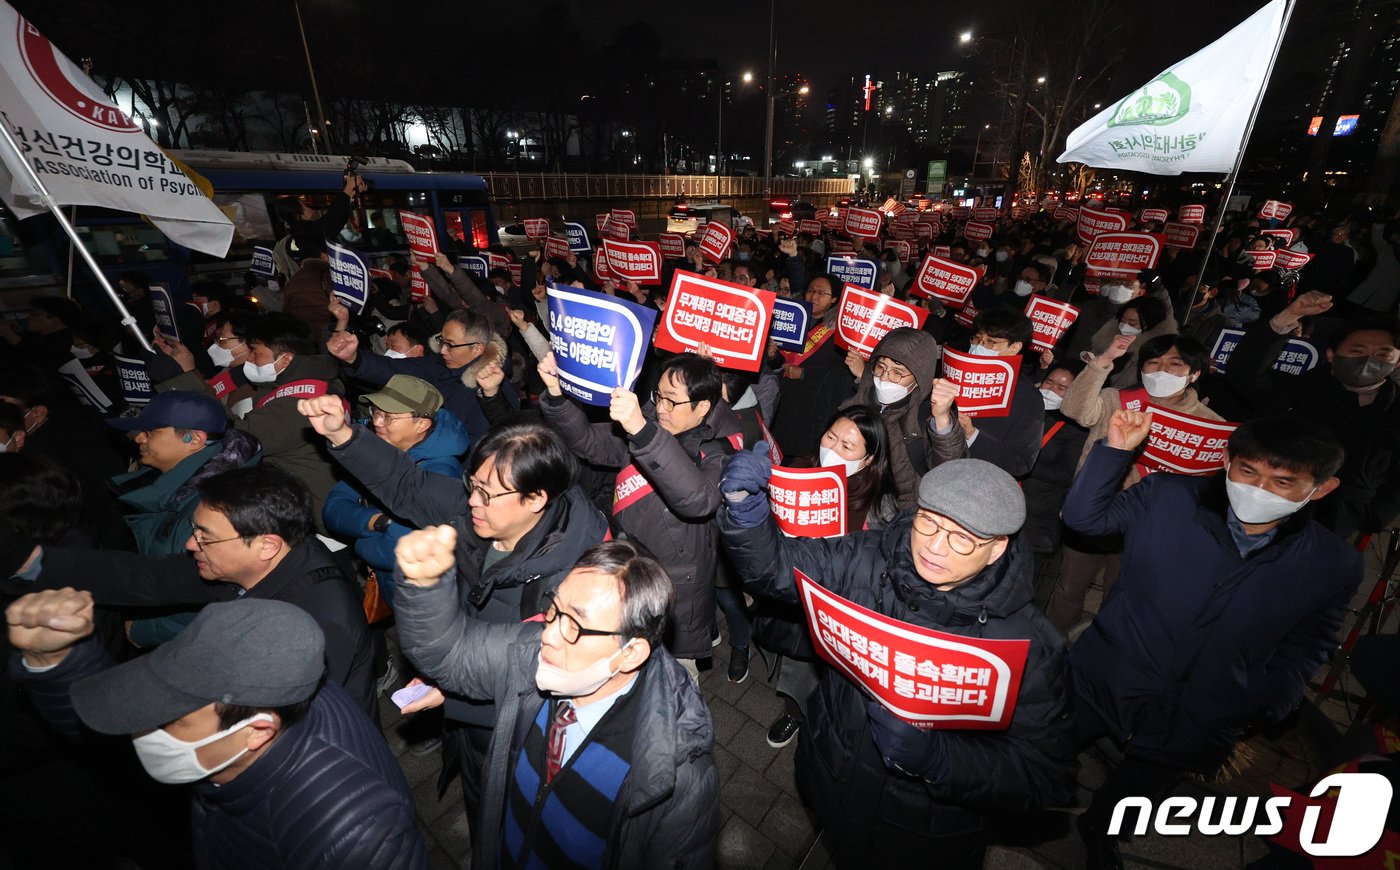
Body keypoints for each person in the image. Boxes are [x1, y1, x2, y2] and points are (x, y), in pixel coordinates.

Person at [717, 455, 1076, 867]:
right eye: (930, 522)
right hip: (832, 777)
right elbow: (777, 571)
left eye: (962, 538)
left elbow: (1044, 777)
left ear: (997, 549)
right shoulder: (869, 555)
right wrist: (745, 511)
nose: (936, 547)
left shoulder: (1031, 647)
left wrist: (940, 759)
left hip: (922, 835)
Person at [1062, 411, 1362, 869]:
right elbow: (1084, 519)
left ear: (1320, 489)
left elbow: (1311, 639)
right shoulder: (1167, 497)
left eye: (1282, 483)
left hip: (1207, 704)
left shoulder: (1332, 562)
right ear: (1227, 463)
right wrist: (1116, 451)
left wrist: (1269, 699)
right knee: (1051, 745)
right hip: (1109, 669)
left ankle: (1101, 829)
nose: (1258, 490)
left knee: (1143, 783)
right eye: (1248, 472)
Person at [300, 397, 609, 822]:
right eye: (472, 485)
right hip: (468, 708)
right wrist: (343, 434)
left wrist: (452, 684)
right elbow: (408, 485)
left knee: (505, 814)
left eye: (488, 493)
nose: (473, 502)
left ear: (536, 498)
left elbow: (530, 670)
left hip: (514, 729)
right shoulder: (480, 510)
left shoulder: (578, 583)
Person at [7, 593, 428, 869]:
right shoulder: (277, 688)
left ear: (257, 731)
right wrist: (56, 660)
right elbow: (110, 729)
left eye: (170, 720)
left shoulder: (355, 836)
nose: (142, 730)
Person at [393, 531, 719, 870]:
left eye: (574, 625)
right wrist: (424, 586)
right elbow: (450, 654)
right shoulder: (535, 657)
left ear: (630, 653)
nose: (547, 635)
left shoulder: (680, 776)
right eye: (554, 610)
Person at [5, 465, 377, 715]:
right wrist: (33, 563)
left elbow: (282, 718)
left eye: (205, 536)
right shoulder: (253, 565)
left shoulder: (319, 622)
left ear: (265, 545)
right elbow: (144, 578)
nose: (190, 544)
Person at [538, 352, 742, 677]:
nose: (660, 408)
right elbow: (590, 442)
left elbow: (697, 500)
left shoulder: (721, 447)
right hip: (627, 562)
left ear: (702, 407)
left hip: (676, 585)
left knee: (672, 684)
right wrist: (557, 396)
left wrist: (642, 430)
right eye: (657, 395)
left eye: (672, 401)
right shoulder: (653, 420)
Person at [1046, 333, 1221, 634]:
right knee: (1068, 590)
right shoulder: (1119, 399)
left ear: (1194, 374)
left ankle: (1098, 655)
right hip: (1093, 515)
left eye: (1174, 364)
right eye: (1153, 363)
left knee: (1120, 599)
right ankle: (1047, 650)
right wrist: (1103, 362)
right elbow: (1074, 410)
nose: (1161, 371)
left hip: (1148, 528)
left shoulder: (1209, 425)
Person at [759, 404, 894, 750]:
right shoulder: (797, 469)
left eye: (847, 446)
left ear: (867, 460)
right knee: (798, 669)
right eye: (830, 437)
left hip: (842, 610)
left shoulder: (879, 507)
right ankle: (793, 711)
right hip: (797, 600)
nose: (831, 449)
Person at [1223, 291, 1400, 537]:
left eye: (1382, 355)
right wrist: (1290, 316)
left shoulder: (1394, 411)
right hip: (1271, 502)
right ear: (1331, 354)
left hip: (1335, 523)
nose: (1368, 360)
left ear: (1397, 362)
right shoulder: (1297, 390)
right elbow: (1243, 374)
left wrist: (1376, 514)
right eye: (1357, 351)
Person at [107, 391, 262, 647]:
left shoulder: (209, 509)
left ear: (194, 439)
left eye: (151, 431)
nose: (140, 438)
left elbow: (205, 599)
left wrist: (142, 630)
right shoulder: (178, 485)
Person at [322, 375, 468, 608]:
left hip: (422, 601)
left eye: (388, 417)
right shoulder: (379, 450)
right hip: (392, 589)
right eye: (376, 413)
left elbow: (394, 551)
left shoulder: (440, 472)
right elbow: (333, 508)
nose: (378, 422)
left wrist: (358, 543)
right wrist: (377, 522)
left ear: (421, 424)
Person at [328, 308, 513, 441]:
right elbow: (394, 369)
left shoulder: (493, 388)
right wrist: (354, 358)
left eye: (450, 344)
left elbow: (500, 438)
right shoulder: (438, 365)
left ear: (477, 349)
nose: (443, 350)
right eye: (441, 341)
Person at [844, 327, 953, 508]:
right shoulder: (854, 403)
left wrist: (942, 420)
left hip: (897, 514)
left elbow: (947, 472)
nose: (885, 378)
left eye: (897, 372)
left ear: (919, 377)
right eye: (880, 366)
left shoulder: (926, 419)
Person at [1020, 364, 1089, 600]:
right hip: (1003, 505)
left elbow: (1069, 475)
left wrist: (1026, 464)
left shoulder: (1076, 430)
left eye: (1062, 387)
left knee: (1020, 584)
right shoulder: (1024, 410)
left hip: (1035, 520)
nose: (1051, 390)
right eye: (1049, 382)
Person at [950, 310, 1045, 478]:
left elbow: (1021, 462)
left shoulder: (1026, 397)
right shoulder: (954, 373)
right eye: (977, 339)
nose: (979, 347)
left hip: (975, 484)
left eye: (991, 342)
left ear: (1014, 347)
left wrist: (972, 435)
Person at [770, 274, 851, 458]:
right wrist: (772, 355)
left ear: (834, 299)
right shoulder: (791, 320)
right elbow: (778, 363)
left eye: (821, 293)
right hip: (781, 399)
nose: (814, 296)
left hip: (811, 405)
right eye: (811, 291)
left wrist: (805, 373)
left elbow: (840, 373)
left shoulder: (838, 331)